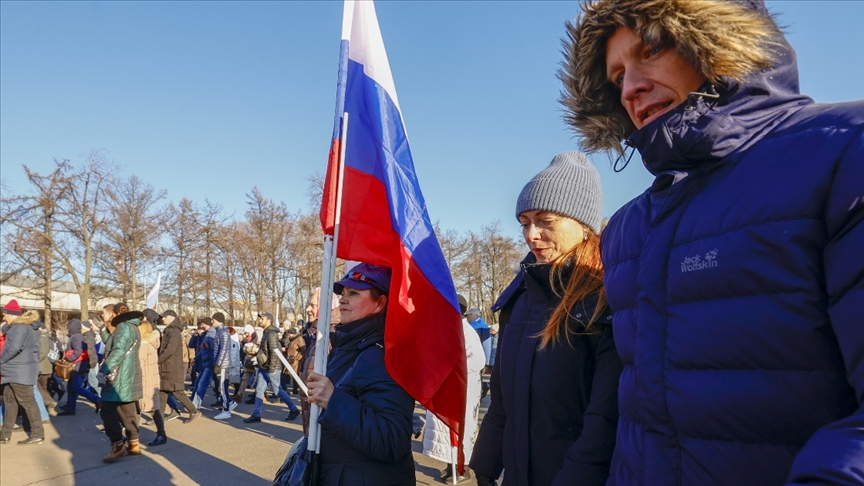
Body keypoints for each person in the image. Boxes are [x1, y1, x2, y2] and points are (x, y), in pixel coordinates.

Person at [559, 1, 864, 483]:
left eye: (651, 50)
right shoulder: (626, 230)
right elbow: (635, 422)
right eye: (616, 77)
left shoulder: (845, 151)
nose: (631, 88)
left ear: (717, 43)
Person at [471, 152, 622, 486]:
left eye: (545, 221)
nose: (531, 235)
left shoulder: (606, 298)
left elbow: (605, 419)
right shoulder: (519, 300)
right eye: (524, 223)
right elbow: (502, 401)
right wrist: (484, 466)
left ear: (583, 225)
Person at [306, 263, 415, 485]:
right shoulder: (347, 347)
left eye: (353, 293)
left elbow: (392, 439)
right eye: (343, 293)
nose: (342, 300)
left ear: (380, 303)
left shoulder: (381, 356)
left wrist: (333, 400)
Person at [422, 294, 486, 484]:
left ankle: (462, 468)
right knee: (445, 428)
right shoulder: (444, 330)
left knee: (461, 428)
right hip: (445, 387)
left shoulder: (467, 332)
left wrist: (453, 369)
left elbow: (479, 360)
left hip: (463, 388)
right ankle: (450, 465)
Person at [99, 303, 143, 463]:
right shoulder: (132, 326)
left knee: (107, 410)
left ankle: (117, 444)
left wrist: (104, 369)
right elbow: (113, 344)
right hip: (127, 374)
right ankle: (133, 443)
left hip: (120, 376)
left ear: (114, 314)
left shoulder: (123, 327)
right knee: (127, 410)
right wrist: (104, 329)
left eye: (104, 313)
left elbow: (118, 350)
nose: (102, 316)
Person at [0, 300, 45, 445]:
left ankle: (37, 433)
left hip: (18, 371)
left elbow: (13, 348)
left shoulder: (18, 327)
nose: (3, 318)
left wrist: (0, 359)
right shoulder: (28, 327)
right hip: (17, 371)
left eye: (5, 315)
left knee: (27, 402)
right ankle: (5, 434)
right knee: (10, 401)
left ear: (12, 315)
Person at [243, 312, 300, 424]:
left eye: (262, 319)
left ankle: (294, 409)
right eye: (260, 319)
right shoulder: (267, 332)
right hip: (264, 367)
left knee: (278, 391)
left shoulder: (271, 334)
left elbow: (274, 352)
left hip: (271, 368)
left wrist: (271, 368)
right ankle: (256, 414)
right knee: (259, 390)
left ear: (269, 320)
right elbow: (267, 350)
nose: (260, 321)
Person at [157, 309, 201, 425]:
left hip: (172, 367)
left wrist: (158, 360)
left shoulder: (174, 332)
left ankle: (194, 411)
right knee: (162, 392)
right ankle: (159, 418)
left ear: (172, 317)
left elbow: (169, 350)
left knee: (177, 391)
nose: (163, 319)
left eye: (165, 316)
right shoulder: (170, 330)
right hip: (166, 367)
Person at [56, 319, 101, 416]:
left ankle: (96, 399)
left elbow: (78, 351)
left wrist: (69, 359)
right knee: (71, 388)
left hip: (77, 367)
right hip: (79, 366)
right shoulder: (78, 336)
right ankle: (70, 408)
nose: (68, 329)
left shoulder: (76, 337)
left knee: (76, 387)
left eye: (69, 327)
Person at [138, 310, 166, 447]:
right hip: (151, 378)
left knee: (142, 408)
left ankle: (132, 436)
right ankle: (161, 434)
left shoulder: (143, 345)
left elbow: (138, 364)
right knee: (151, 408)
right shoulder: (152, 343)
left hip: (145, 379)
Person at [210, 312, 236, 420]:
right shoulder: (219, 331)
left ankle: (226, 410)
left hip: (223, 365)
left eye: (213, 319)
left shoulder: (223, 332)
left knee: (222, 387)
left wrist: (218, 364)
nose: (211, 321)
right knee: (219, 386)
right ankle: (230, 402)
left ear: (217, 319)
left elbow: (223, 349)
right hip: (220, 364)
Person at [189, 317, 214, 409]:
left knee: (202, 384)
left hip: (209, 362)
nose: (201, 326)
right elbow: (201, 348)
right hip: (203, 362)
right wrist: (196, 358)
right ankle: (193, 402)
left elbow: (213, 349)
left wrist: (214, 361)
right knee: (198, 383)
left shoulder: (212, 334)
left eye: (202, 324)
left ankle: (195, 406)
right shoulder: (206, 334)